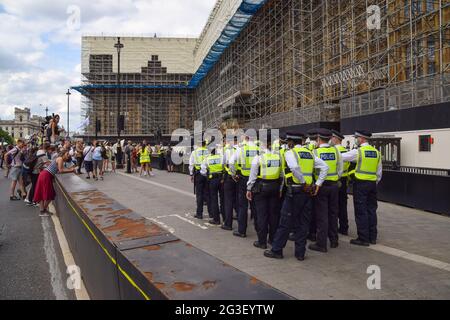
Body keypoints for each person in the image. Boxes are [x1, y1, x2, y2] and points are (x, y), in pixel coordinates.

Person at [264, 132, 329, 261]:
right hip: (308, 193)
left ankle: (277, 250)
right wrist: (317, 184)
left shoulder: (290, 153)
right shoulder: (309, 154)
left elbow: (294, 167)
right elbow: (325, 167)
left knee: (285, 222)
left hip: (295, 192)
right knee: (303, 223)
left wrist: (303, 182)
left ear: (291, 142)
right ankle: (300, 253)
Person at [341, 130, 382, 246]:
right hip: (372, 184)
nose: (356, 139)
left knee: (361, 211)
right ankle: (372, 237)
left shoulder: (359, 151)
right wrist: (374, 182)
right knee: (372, 210)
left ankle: (363, 238)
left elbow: (342, 157)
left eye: (356, 137)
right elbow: (379, 173)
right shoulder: (376, 152)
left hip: (361, 184)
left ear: (362, 139)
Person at [308, 128, 343, 253]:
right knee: (333, 213)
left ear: (318, 139)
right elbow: (340, 169)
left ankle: (321, 243)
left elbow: (312, 170)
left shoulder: (315, 153)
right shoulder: (336, 151)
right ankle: (334, 240)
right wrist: (335, 178)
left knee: (322, 215)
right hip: (334, 186)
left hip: (321, 186)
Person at [246, 131, 282, 249]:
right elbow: (282, 174)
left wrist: (249, 189)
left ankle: (262, 242)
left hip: (261, 188)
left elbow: (253, 176)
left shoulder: (259, 157)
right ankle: (272, 239)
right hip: (275, 187)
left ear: (263, 143)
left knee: (262, 215)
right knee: (274, 215)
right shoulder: (278, 156)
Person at [229, 134, 259, 238]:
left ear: (246, 138)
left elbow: (231, 162)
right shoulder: (258, 149)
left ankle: (242, 231)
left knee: (243, 206)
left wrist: (233, 175)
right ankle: (260, 230)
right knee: (256, 206)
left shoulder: (241, 149)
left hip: (243, 180)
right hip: (256, 180)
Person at [33, 149, 76, 217]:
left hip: (44, 174)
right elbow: (61, 170)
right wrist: (71, 170)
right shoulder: (60, 159)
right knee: (50, 194)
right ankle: (43, 210)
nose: (68, 155)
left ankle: (42, 211)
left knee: (42, 193)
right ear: (63, 154)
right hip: (46, 176)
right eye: (67, 154)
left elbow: (59, 170)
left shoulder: (59, 158)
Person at [330, 130, 351, 235]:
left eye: (332, 138)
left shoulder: (334, 151)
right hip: (344, 180)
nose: (331, 139)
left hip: (336, 180)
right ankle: (344, 227)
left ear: (336, 139)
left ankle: (332, 227)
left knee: (333, 205)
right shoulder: (346, 151)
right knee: (343, 205)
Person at [201, 148, 224, 225]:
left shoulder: (207, 159)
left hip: (213, 180)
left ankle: (216, 219)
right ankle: (225, 218)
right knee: (223, 199)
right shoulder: (221, 157)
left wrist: (208, 174)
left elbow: (203, 171)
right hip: (221, 179)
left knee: (214, 199)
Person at [189, 140, 209, 220]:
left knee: (199, 194)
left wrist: (191, 174)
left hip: (198, 174)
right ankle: (211, 213)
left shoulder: (195, 152)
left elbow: (191, 164)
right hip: (207, 174)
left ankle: (199, 213)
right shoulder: (208, 152)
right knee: (208, 193)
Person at [221, 136, 238, 231]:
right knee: (239, 201)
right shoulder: (241, 149)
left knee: (228, 202)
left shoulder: (226, 150)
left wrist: (232, 174)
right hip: (240, 177)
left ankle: (228, 223)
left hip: (230, 177)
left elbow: (223, 163)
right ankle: (241, 222)